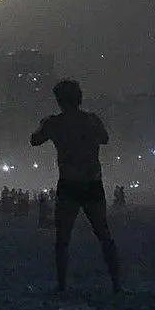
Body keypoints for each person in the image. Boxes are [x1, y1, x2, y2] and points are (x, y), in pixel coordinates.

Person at [31, 78, 121, 293]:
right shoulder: (91, 120)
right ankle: (116, 283)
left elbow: (34, 140)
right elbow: (105, 139)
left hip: (69, 183)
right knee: (103, 234)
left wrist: (45, 124)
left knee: (62, 239)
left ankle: (62, 285)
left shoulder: (55, 123)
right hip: (91, 181)